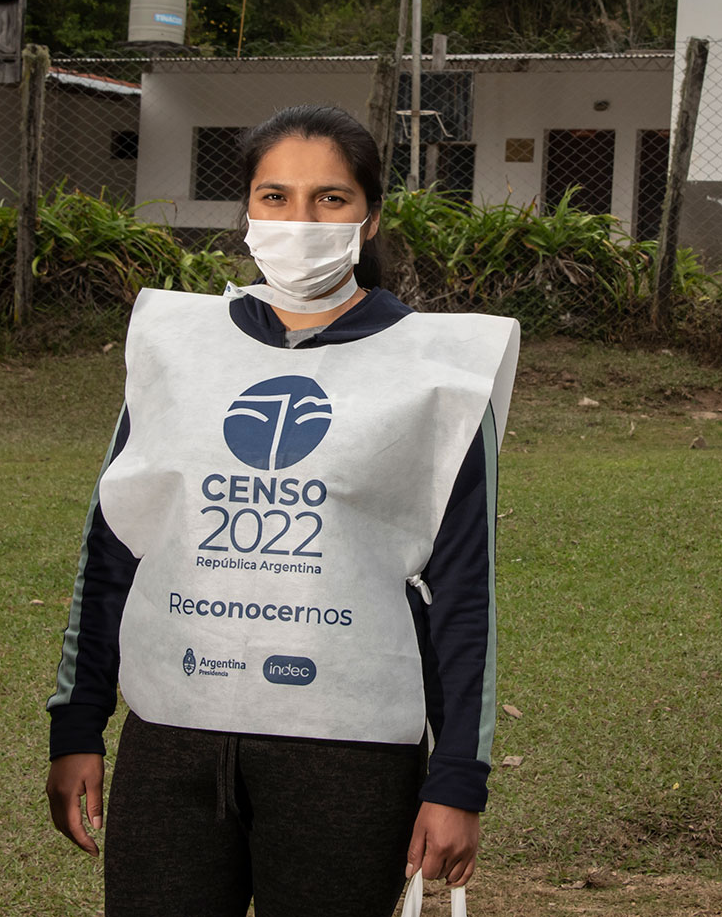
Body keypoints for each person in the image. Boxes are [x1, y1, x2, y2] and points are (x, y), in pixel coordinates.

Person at [45, 104, 519, 915]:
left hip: (349, 758)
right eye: (275, 197)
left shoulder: (439, 375)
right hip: (173, 739)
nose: (299, 220)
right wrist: (79, 723)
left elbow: (461, 591)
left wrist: (457, 781)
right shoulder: (176, 348)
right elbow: (116, 544)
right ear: (248, 212)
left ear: (370, 218)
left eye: (330, 199)